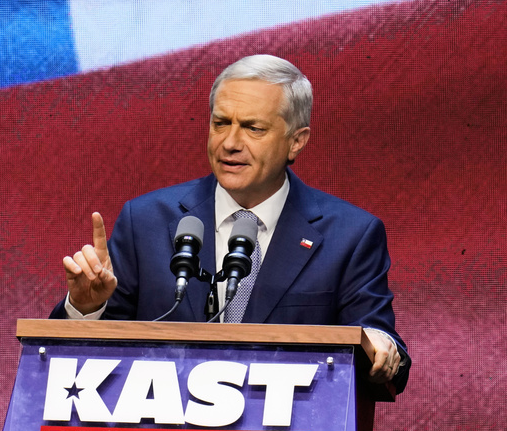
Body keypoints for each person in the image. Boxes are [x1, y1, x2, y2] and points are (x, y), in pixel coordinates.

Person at [53, 55, 410, 394]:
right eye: (221, 123)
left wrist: (380, 346)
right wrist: (85, 308)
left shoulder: (350, 236)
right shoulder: (145, 221)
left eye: (253, 128)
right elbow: (84, 359)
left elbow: (378, 339)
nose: (230, 143)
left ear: (296, 142)